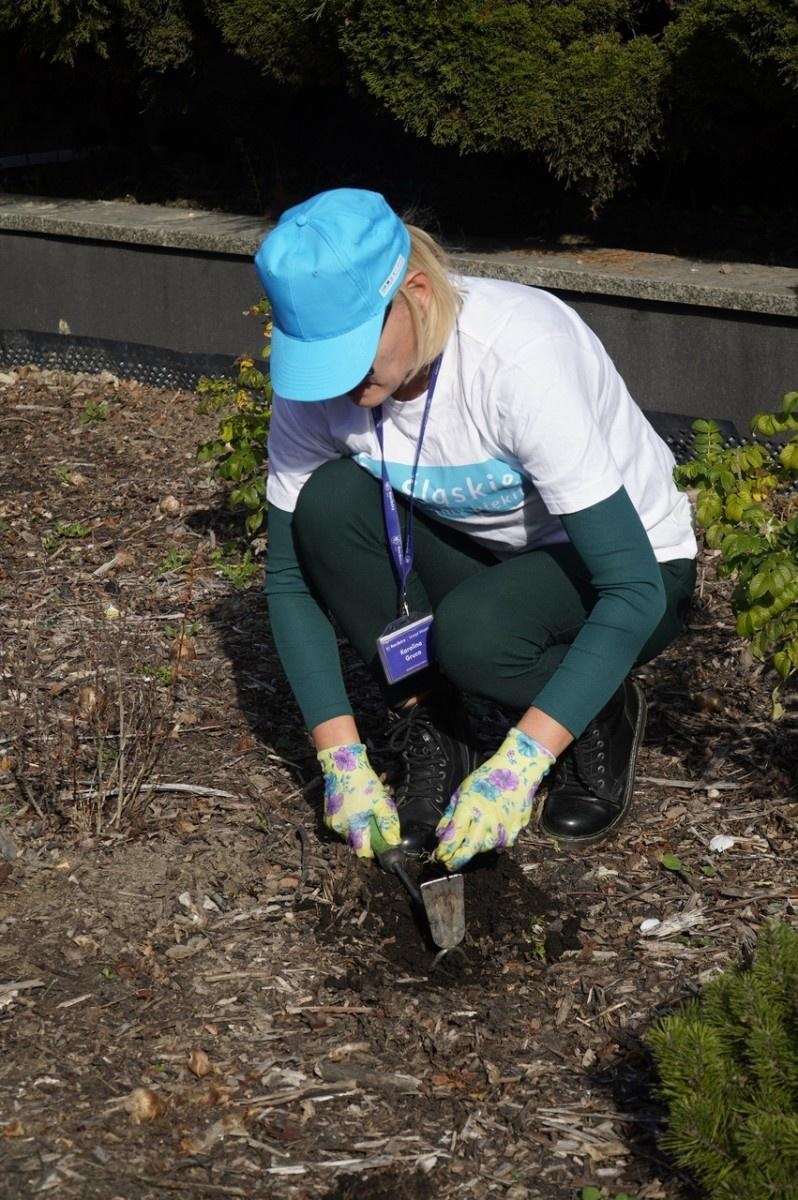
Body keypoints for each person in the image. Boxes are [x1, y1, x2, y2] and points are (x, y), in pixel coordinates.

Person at [254, 188, 696, 872]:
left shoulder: (514, 357)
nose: (337, 383)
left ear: (416, 293)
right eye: (319, 356)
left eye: (352, 349)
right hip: (491, 553)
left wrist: (522, 762)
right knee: (330, 505)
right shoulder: (323, 386)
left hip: (633, 568)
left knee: (475, 637)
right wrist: (340, 760)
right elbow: (288, 580)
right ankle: (438, 728)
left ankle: (600, 707)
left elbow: (634, 588)